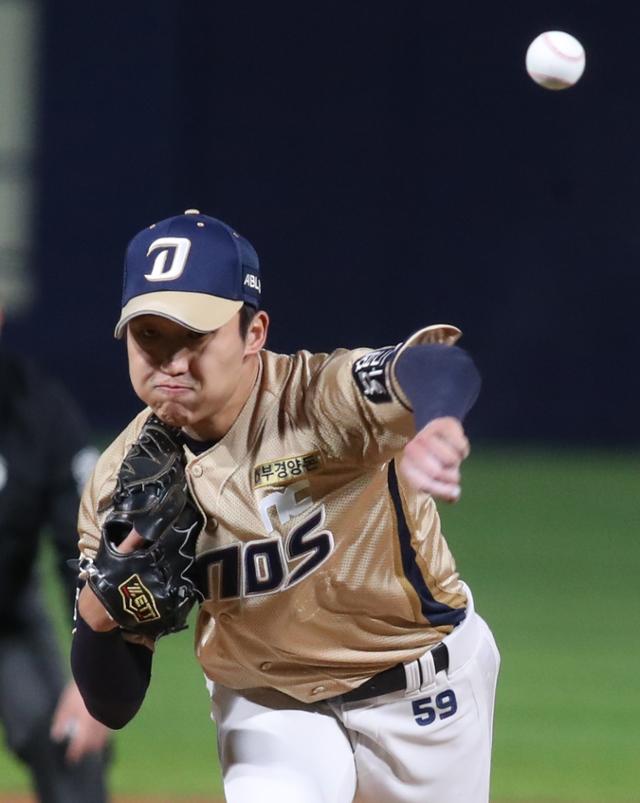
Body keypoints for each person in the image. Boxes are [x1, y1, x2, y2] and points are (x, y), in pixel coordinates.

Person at [72, 209, 500, 803]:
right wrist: (99, 612)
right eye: (150, 334)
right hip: (267, 699)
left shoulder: (315, 400)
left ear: (254, 334)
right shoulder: (116, 483)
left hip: (419, 682)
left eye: (194, 335)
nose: (170, 360)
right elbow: (113, 703)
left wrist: (435, 418)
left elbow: (435, 364)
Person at [0, 303, 111, 803]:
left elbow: (82, 544)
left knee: (71, 740)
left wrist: (91, 676)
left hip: (6, 615)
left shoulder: (36, 408)